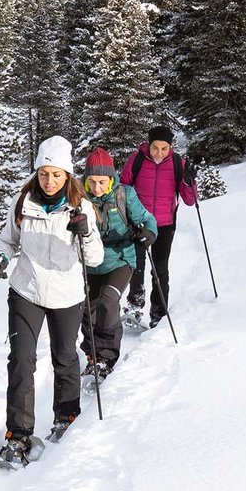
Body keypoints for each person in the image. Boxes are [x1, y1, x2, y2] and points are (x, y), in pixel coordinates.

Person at [0, 136, 103, 466]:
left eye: (56, 175)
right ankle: (18, 435)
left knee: (64, 356)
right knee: (21, 359)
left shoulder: (81, 207)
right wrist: (0, 259)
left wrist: (86, 232)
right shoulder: (22, 202)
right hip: (27, 290)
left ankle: (66, 417)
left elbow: (94, 258)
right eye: (43, 174)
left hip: (67, 294)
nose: (49, 181)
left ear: (67, 175)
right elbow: (7, 240)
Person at [76, 147, 159, 377]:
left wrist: (148, 233)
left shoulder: (124, 194)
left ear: (111, 178)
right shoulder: (78, 196)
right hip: (89, 262)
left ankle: (106, 358)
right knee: (89, 309)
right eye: (91, 182)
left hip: (120, 260)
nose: (97, 188)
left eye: (102, 182)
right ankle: (92, 353)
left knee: (108, 301)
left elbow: (146, 219)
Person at [122, 125, 197, 328]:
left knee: (160, 268)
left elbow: (190, 200)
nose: (159, 153)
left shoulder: (177, 163)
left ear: (170, 147)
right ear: (149, 144)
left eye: (164, 148)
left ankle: (158, 313)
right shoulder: (136, 159)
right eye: (156, 147)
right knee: (136, 266)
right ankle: (135, 305)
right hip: (139, 222)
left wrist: (190, 181)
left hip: (165, 224)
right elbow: (123, 187)